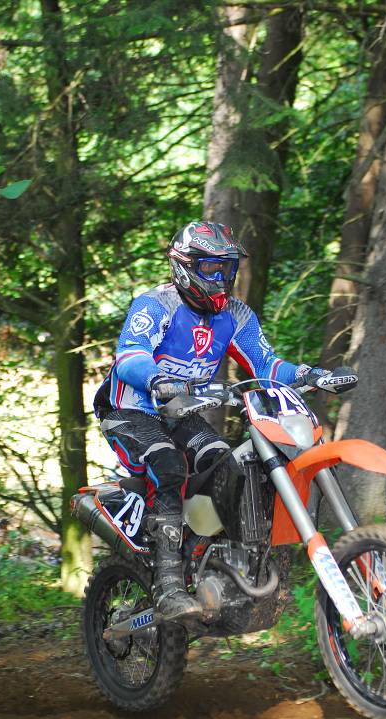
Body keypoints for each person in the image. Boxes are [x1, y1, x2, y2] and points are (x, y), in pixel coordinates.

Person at [94, 221, 335, 621]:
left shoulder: (235, 315)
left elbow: (267, 365)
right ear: (185, 266)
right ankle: (168, 585)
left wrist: (311, 375)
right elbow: (130, 355)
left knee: (226, 464)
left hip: (180, 413)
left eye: (227, 268)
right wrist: (156, 379)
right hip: (130, 411)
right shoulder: (155, 304)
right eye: (211, 268)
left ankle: (211, 558)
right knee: (168, 463)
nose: (221, 278)